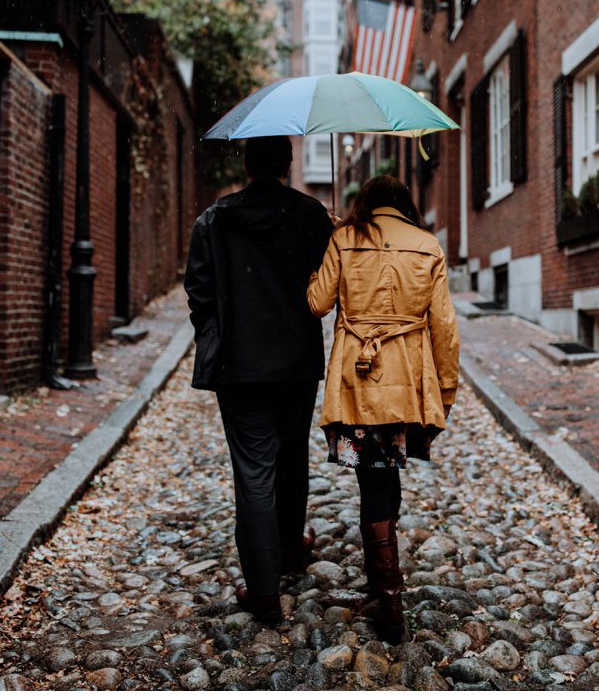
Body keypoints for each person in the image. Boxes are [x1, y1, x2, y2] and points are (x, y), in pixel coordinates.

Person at [184, 135, 334, 623]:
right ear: (288, 165)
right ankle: (289, 545)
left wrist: (214, 336)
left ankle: (264, 590)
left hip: (239, 365)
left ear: (247, 164)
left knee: (254, 471)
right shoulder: (310, 214)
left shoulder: (214, 219)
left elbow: (198, 291)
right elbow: (327, 284)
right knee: (292, 456)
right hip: (295, 363)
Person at [306, 174, 459, 644]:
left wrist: (329, 251)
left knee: (371, 477)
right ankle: (383, 587)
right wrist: (445, 392)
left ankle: (388, 599)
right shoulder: (426, 244)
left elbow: (317, 302)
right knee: (385, 471)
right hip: (409, 382)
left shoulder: (344, 238)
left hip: (357, 381)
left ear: (365, 203)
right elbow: (445, 327)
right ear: (404, 204)